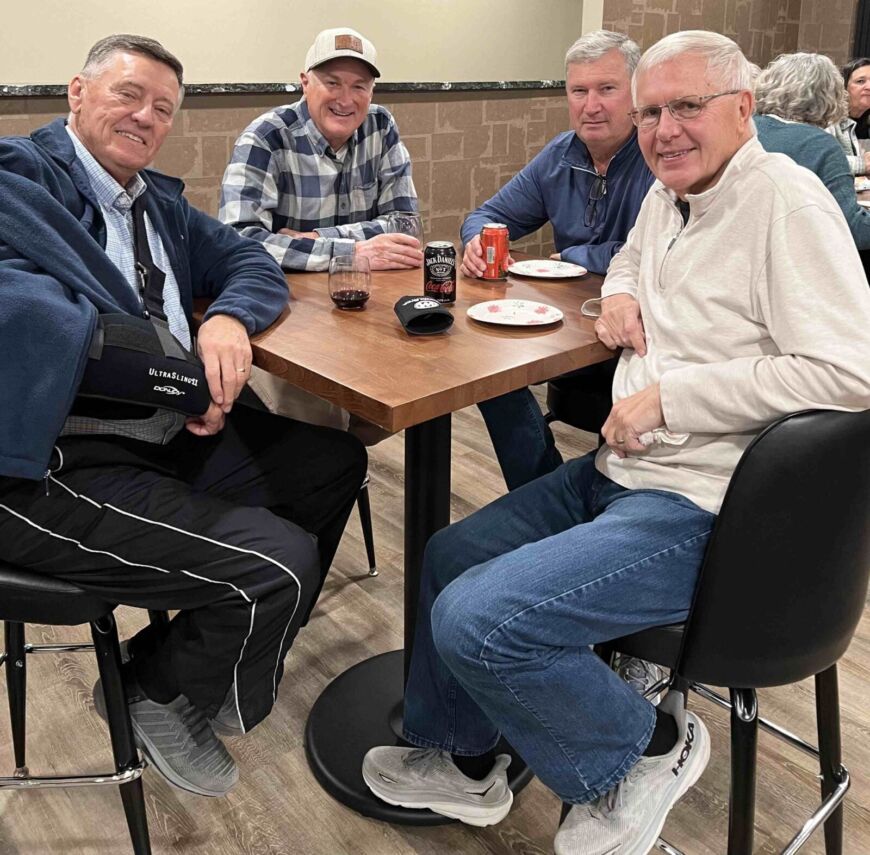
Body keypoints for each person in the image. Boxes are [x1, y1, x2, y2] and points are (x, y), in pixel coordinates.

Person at [361, 30, 870, 855]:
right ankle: (464, 762)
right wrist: (626, 292)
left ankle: (647, 748)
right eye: (650, 112)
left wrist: (675, 396)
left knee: (476, 619)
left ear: (743, 108)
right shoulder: (669, 195)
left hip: (706, 504)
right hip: (619, 469)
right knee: (451, 554)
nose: (663, 129)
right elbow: (631, 260)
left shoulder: (787, 203)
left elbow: (852, 372)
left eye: (685, 107)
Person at [0, 35, 367, 799]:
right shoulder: (22, 179)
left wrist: (227, 320)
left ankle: (156, 676)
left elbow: (247, 260)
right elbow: (35, 319)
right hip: (50, 458)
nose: (146, 117)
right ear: (75, 93)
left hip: (159, 433)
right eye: (128, 95)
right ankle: (175, 688)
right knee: (277, 564)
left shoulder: (156, 202)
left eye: (163, 108)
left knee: (334, 464)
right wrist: (177, 380)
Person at [462, 31, 654, 493]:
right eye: (579, 91)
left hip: (641, 334)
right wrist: (478, 243)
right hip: (569, 326)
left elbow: (659, 253)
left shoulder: (659, 153)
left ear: (636, 94)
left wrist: (573, 255)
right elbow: (487, 216)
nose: (591, 105)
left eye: (607, 89)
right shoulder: (560, 154)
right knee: (487, 370)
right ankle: (542, 491)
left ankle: (606, 496)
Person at [219, 26, 422, 273]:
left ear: (371, 92)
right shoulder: (265, 138)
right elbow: (238, 239)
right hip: (290, 296)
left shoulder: (380, 126)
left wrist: (318, 238)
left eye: (359, 86)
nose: (346, 100)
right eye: (332, 83)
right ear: (305, 83)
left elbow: (405, 225)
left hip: (371, 290)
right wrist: (352, 252)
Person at [755, 52, 870, 250]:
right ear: (831, 95)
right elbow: (854, 230)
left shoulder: (746, 128)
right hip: (792, 255)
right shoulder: (819, 144)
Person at [826, 57, 870, 175]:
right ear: (844, 87)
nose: (869, 87)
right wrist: (862, 164)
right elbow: (822, 160)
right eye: (860, 81)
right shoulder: (829, 117)